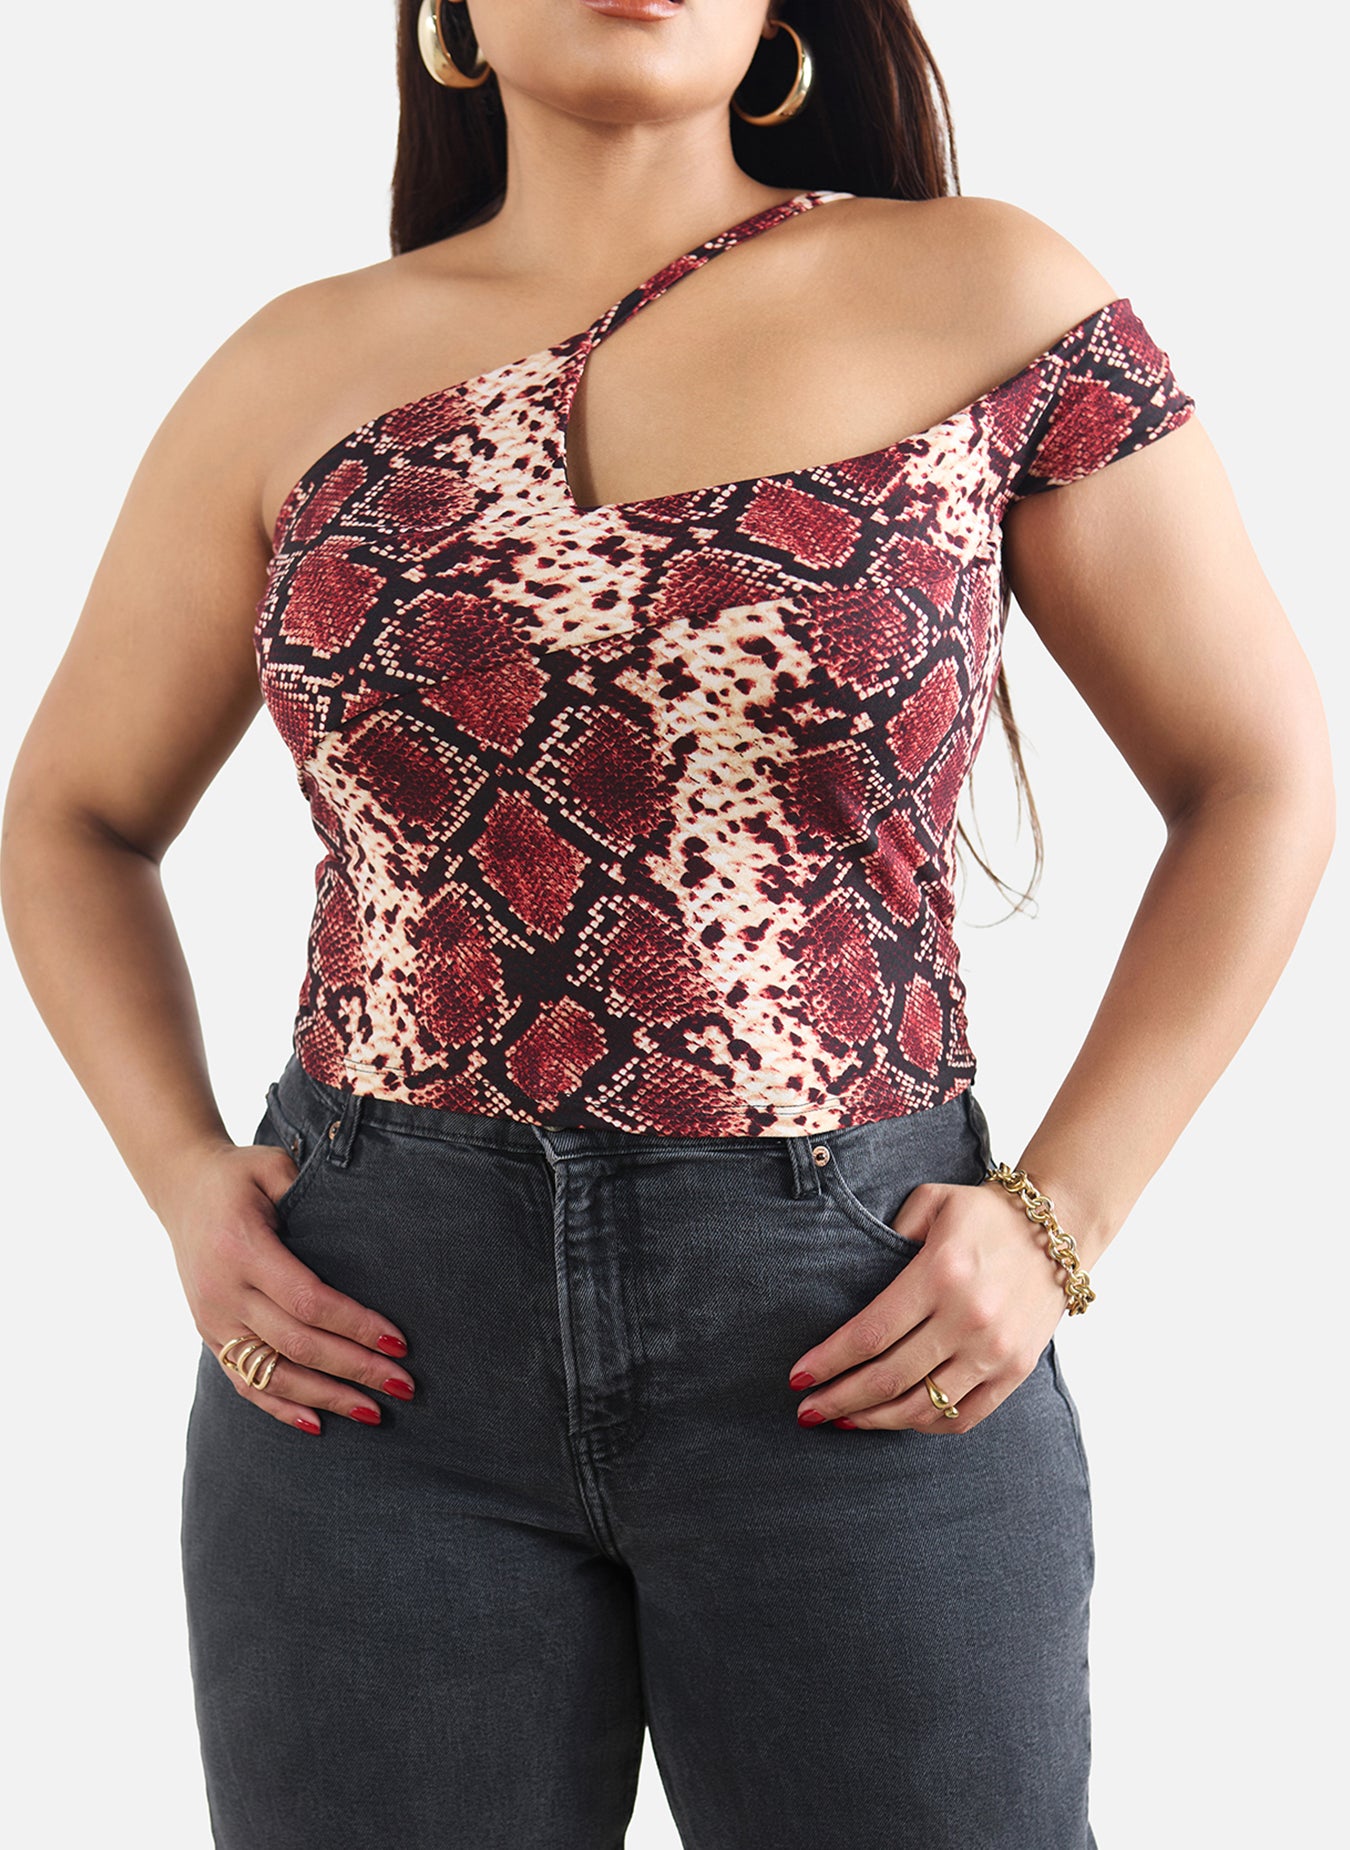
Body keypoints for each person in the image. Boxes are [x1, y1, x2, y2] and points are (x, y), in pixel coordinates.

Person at [1, 3, 1334, 1846]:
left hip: (858, 1327)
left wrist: (1062, 1218)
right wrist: (176, 1176)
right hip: (370, 1350)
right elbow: (72, 817)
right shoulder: (288, 367)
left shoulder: (991, 295)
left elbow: (1259, 775)